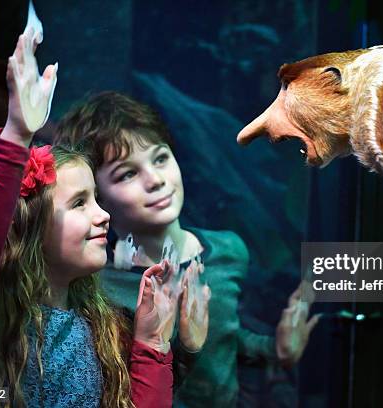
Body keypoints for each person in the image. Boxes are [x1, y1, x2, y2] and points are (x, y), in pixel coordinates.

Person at [0, 29, 173, 407]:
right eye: (79, 203)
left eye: (95, 198)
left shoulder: (101, 330)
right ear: (29, 227)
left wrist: (152, 344)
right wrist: (16, 134)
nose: (103, 215)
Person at [55, 91, 320, 407]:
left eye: (160, 158)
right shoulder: (99, 285)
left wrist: (274, 350)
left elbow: (224, 339)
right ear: (98, 196)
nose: (155, 180)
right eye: (127, 173)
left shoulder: (227, 250)